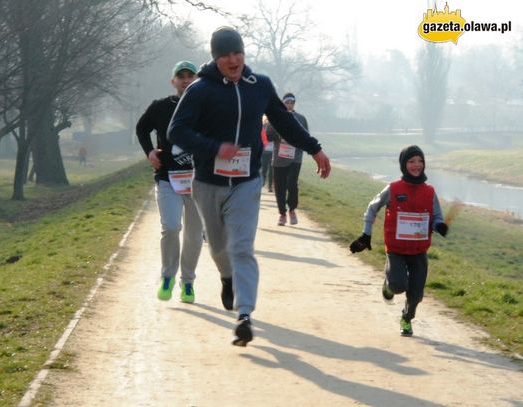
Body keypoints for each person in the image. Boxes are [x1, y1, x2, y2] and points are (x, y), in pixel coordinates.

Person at [168, 27, 331, 346]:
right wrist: (214, 147)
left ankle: (244, 315)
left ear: (244, 53)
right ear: (216, 59)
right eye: (226, 55)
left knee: (241, 246)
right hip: (207, 182)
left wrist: (315, 148)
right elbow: (177, 131)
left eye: (237, 53)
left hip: (246, 181)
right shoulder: (200, 90)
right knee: (217, 246)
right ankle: (227, 278)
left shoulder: (261, 86)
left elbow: (284, 122)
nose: (233, 59)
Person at [349, 145, 449, 336]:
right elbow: (372, 208)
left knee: (417, 294)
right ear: (404, 165)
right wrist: (366, 234)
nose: (416, 165)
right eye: (412, 161)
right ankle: (388, 285)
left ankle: (406, 318)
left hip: (419, 251)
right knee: (398, 285)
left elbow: (437, 216)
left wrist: (439, 226)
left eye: (420, 161)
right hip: (396, 250)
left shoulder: (429, 192)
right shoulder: (393, 188)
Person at [136, 60, 204, 304]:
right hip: (168, 179)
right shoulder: (161, 107)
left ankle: (188, 282)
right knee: (172, 227)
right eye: (181, 76)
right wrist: (150, 152)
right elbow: (142, 128)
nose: (186, 80)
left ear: (197, 79)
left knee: (195, 238)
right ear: (173, 81)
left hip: (200, 182)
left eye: (190, 75)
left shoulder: (207, 106)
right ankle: (167, 276)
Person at [266, 92, 307, 226]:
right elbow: (269, 136)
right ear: (283, 103)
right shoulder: (275, 117)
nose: (289, 105)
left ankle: (292, 210)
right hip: (279, 157)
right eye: (287, 102)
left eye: (292, 102)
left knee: (292, 184)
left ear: (294, 104)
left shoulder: (301, 118)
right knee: (280, 187)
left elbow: (306, 136)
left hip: (295, 157)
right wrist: (279, 133)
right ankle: (282, 213)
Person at [260, 115, 274, 192]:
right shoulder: (263, 126)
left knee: (271, 170)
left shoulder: (276, 126)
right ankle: (262, 183)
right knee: (264, 169)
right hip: (264, 151)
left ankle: (269, 187)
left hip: (273, 151)